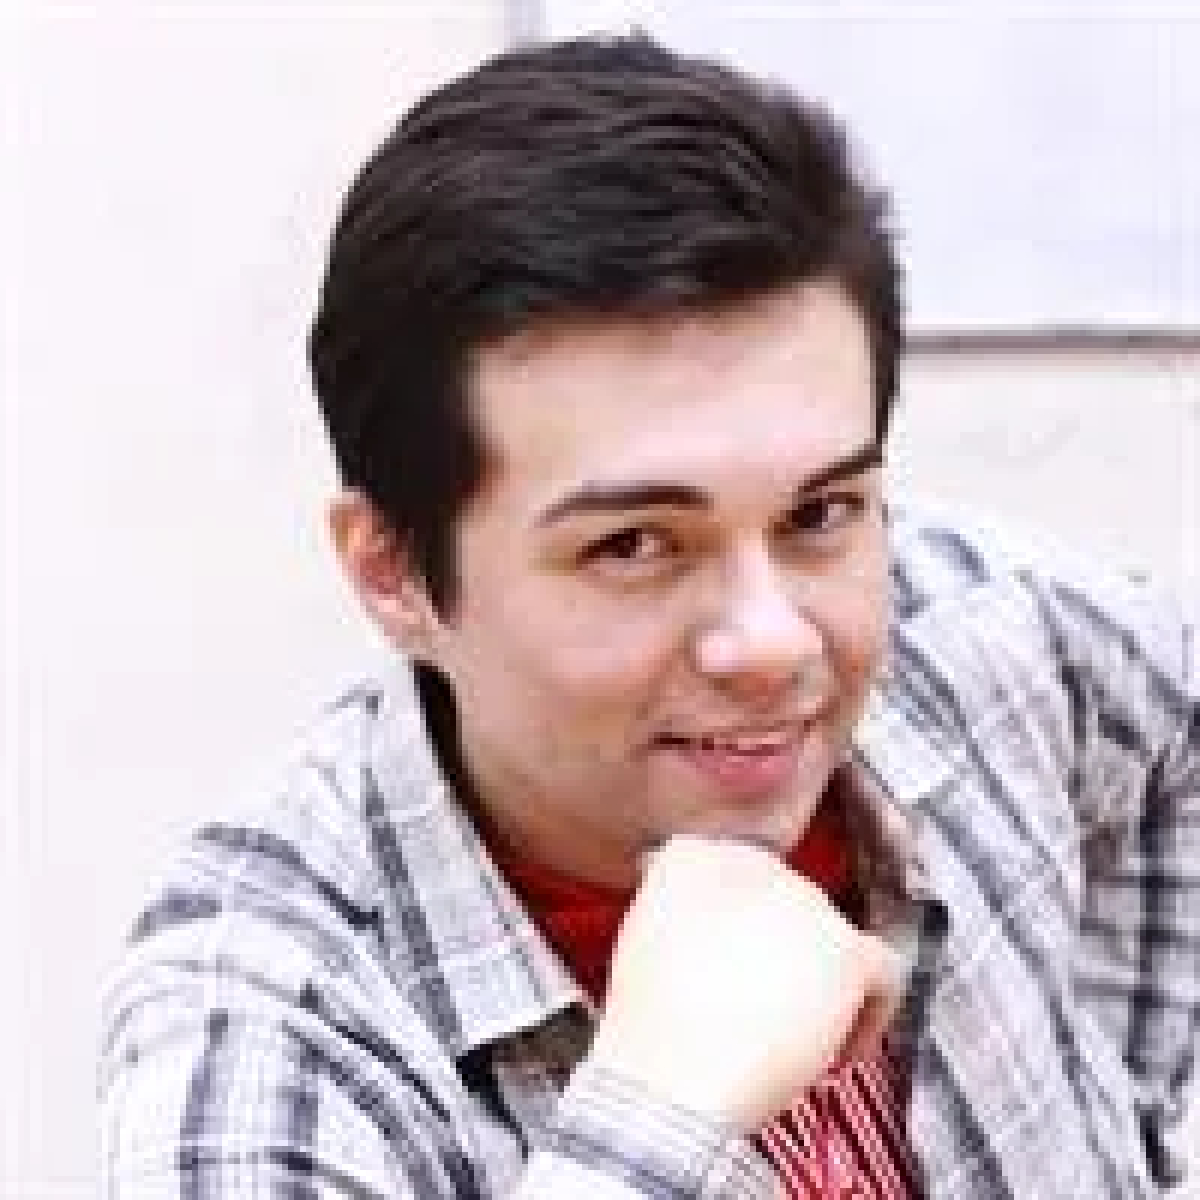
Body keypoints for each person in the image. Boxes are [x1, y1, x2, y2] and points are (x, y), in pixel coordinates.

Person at [99, 33, 1198, 1199]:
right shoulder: (263, 1030)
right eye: (633, 546)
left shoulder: (973, 625)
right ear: (394, 571)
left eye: (819, 512)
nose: (773, 642)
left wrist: (1116, 1131)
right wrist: (662, 1120)